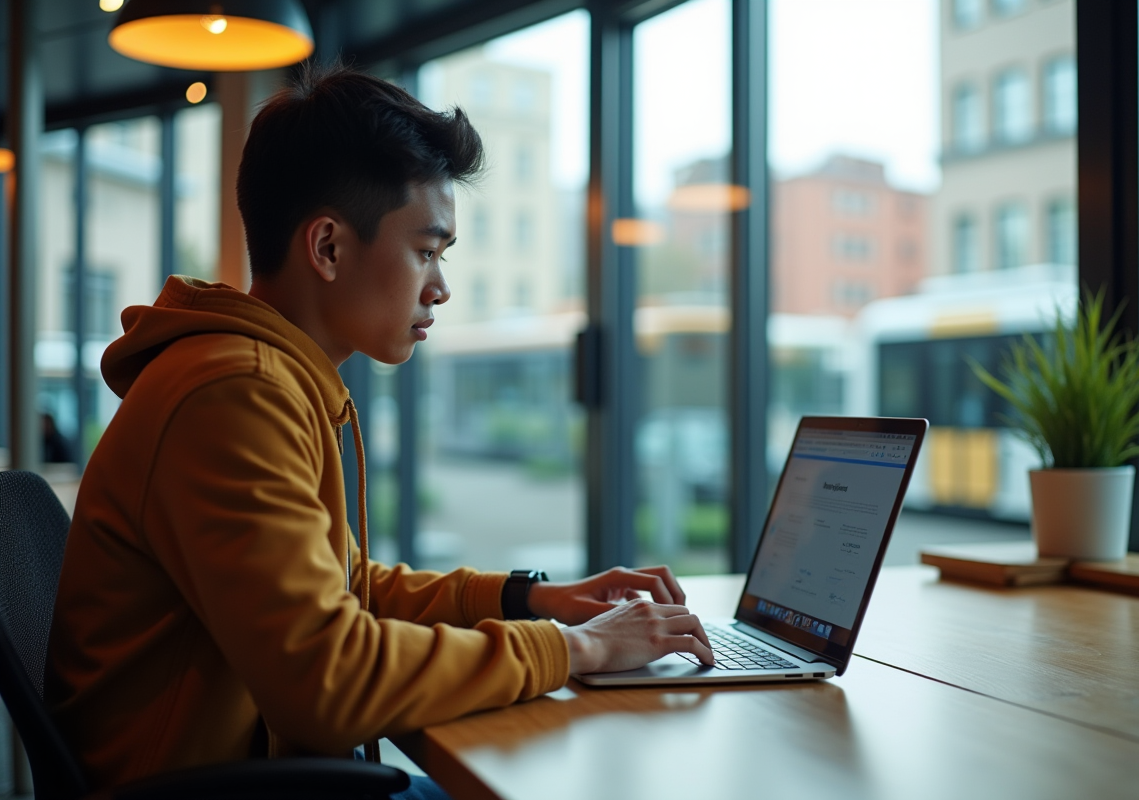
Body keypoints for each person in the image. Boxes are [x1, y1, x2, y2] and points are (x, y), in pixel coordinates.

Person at [45, 63, 714, 797]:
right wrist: (575, 647)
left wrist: (532, 600)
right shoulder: (236, 392)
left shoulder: (259, 376)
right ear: (328, 247)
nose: (442, 286)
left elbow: (350, 589)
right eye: (427, 251)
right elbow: (326, 684)